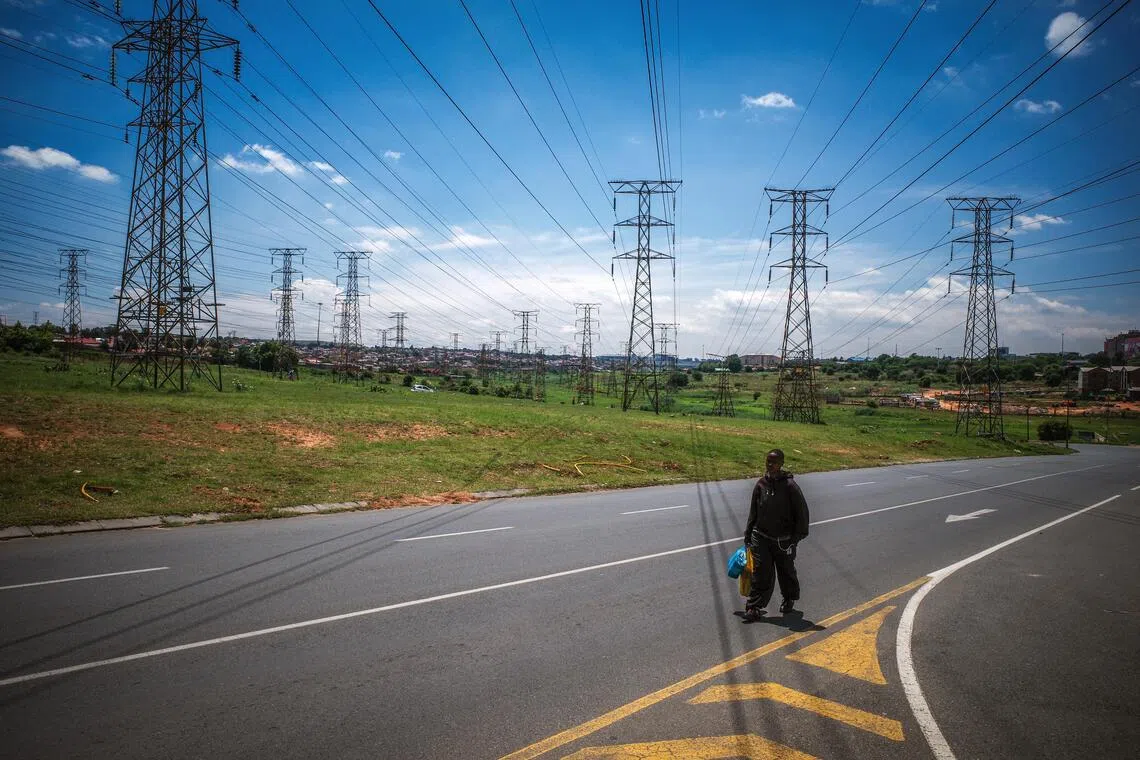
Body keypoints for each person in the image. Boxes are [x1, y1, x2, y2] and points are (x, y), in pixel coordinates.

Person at [742, 448, 809, 621]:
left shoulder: (790, 487)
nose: (770, 465)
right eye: (768, 461)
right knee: (760, 572)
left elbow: (802, 513)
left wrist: (795, 538)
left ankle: (789, 598)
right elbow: (753, 511)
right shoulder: (761, 485)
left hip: (784, 540)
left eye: (774, 462)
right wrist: (748, 533)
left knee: (786, 571)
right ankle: (754, 606)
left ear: (781, 464)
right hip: (761, 536)